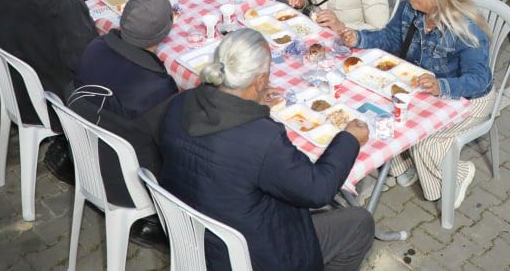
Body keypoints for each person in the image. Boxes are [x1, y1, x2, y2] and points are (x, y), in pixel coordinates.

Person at [157, 28, 374, 271]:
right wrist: (349, 139)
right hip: (256, 257)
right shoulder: (262, 139)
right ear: (259, 81)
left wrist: (251, 102)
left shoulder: (179, 103)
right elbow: (319, 190)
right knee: (360, 222)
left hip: (195, 239)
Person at [329, 0, 491, 211]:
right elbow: (391, 38)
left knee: (424, 139)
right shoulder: (411, 9)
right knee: (379, 112)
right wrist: (357, 36)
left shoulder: (464, 30)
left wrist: (442, 86)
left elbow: (479, 80)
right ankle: (403, 168)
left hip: (468, 98)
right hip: (426, 89)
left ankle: (457, 174)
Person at [73, 0, 179, 236]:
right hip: (127, 180)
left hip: (86, 153)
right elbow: (171, 146)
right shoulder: (155, 87)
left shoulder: (95, 46)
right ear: (164, 33)